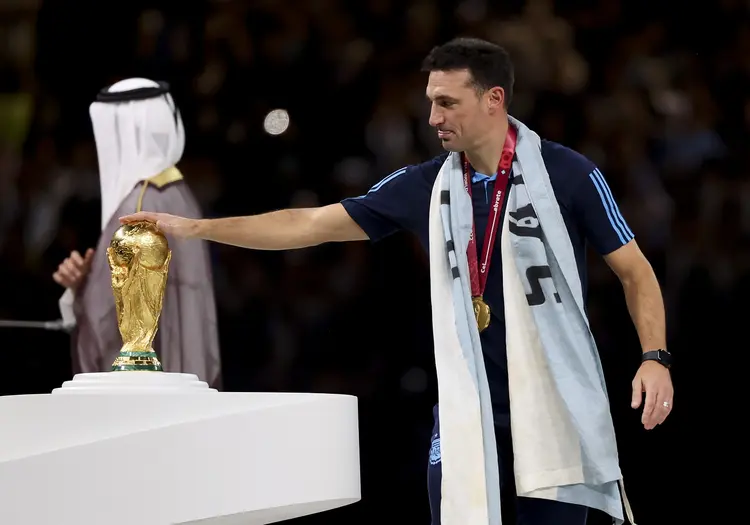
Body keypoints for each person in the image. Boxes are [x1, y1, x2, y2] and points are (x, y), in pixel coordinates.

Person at [120, 39, 673, 525]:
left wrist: (655, 357)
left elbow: (635, 271)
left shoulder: (568, 173)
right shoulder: (424, 186)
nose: (433, 116)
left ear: (493, 100)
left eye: (447, 102)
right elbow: (309, 224)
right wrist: (197, 228)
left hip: (553, 417)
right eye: (431, 101)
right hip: (467, 419)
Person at [53, 78, 222, 389]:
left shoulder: (140, 206)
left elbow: (109, 321)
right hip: (181, 380)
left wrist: (80, 293)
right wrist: (91, 278)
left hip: (149, 389)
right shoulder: (177, 193)